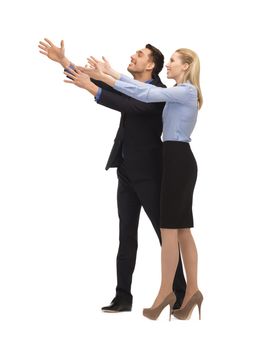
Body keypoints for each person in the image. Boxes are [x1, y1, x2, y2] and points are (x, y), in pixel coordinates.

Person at [38, 39, 186, 313]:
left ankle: (181, 294)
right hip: (126, 171)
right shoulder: (127, 86)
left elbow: (129, 106)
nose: (133, 56)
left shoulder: (159, 94)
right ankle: (123, 297)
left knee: (164, 236)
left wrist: (93, 88)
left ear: (151, 65)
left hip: (152, 174)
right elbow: (91, 79)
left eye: (139, 55)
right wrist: (63, 61)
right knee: (126, 236)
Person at [66, 48, 204, 321]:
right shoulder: (175, 91)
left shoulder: (183, 91)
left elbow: (143, 96)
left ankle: (171, 291)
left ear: (186, 66)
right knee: (180, 231)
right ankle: (190, 292)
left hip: (173, 162)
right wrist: (95, 72)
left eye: (174, 61)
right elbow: (136, 90)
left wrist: (105, 78)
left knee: (169, 231)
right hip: (167, 159)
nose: (170, 66)